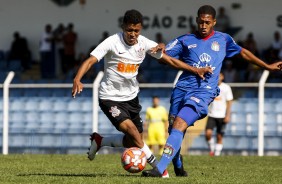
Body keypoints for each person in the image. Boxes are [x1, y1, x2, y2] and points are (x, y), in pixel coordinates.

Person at [142, 5, 282, 177]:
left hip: (203, 92)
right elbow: (164, 57)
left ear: (214, 22)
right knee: (174, 130)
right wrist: (161, 47)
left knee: (179, 123)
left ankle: (159, 169)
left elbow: (243, 53)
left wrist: (266, 66)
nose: (203, 25)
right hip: (181, 89)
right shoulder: (185, 40)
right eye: (201, 22)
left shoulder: (224, 39)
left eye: (207, 22)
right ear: (196, 20)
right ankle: (178, 165)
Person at [72, 9, 212, 178]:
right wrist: (78, 79)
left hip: (131, 98)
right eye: (129, 30)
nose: (132, 34)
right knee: (131, 131)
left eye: (136, 31)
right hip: (109, 97)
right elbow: (90, 60)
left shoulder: (144, 43)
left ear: (140, 29)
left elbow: (169, 60)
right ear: (123, 27)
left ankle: (100, 141)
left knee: (134, 140)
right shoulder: (112, 42)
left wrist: (195, 69)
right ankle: (160, 169)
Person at [205, 72, 233, 156]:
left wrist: (228, 115)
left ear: (222, 77)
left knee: (219, 136)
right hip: (212, 114)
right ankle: (212, 147)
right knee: (208, 133)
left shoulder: (226, 87)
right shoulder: (211, 86)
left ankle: (216, 154)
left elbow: (229, 101)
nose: (218, 78)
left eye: (219, 76)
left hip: (222, 115)